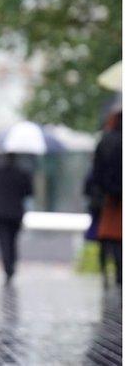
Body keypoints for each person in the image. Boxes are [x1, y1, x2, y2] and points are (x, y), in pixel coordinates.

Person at [0, 153, 34, 284]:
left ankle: (8, 268)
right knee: (12, 241)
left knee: (4, 241)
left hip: (0, 213)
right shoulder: (22, 174)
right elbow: (29, 191)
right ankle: (11, 266)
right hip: (16, 213)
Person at [92, 110, 122, 287]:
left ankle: (109, 272)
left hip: (109, 198)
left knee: (108, 236)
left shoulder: (106, 141)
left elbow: (97, 171)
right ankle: (119, 273)